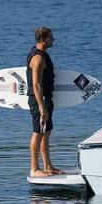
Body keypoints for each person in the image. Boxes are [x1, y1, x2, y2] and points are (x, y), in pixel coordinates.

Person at [28, 26, 61, 177]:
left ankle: (48, 166)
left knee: (46, 132)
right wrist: (42, 107)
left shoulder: (43, 55)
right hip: (39, 100)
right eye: (50, 37)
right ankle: (34, 169)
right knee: (38, 132)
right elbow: (36, 84)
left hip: (46, 99)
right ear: (42, 39)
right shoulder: (38, 58)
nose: (53, 40)